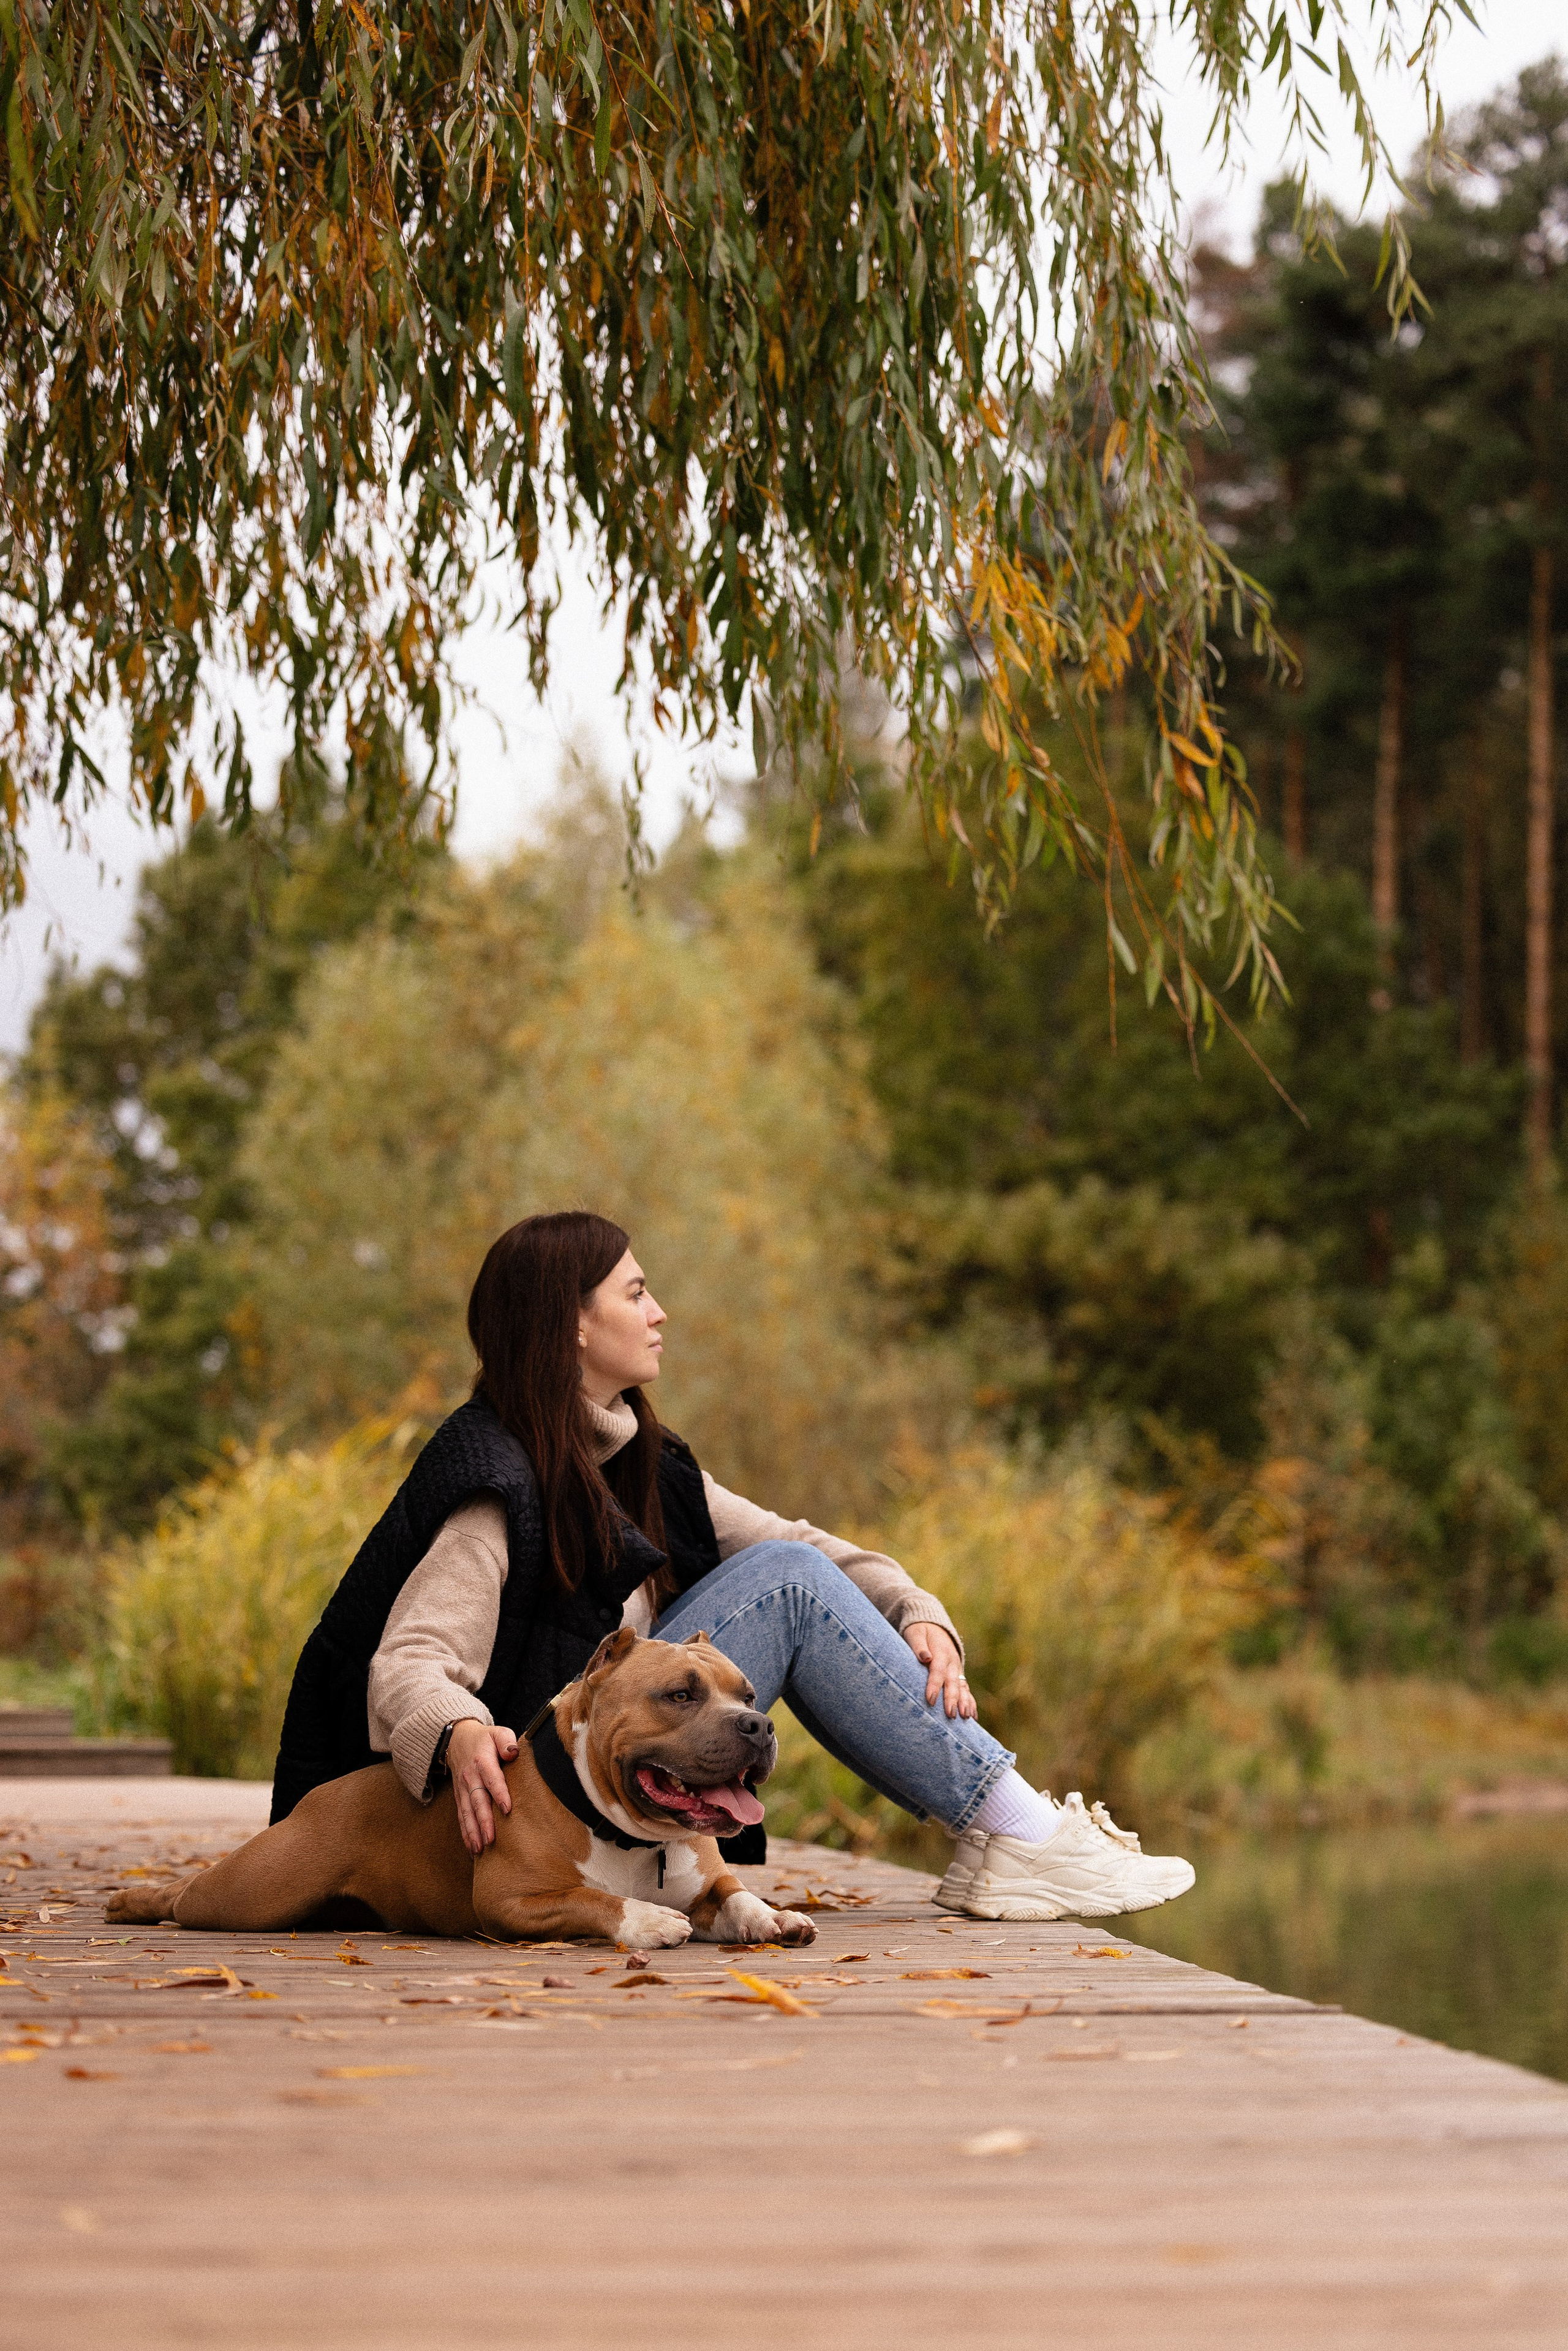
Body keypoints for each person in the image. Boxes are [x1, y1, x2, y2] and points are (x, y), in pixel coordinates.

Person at [270, 1211, 1195, 1923]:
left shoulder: (643, 1462)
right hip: (532, 1793)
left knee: (792, 1567)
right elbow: (409, 1662)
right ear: (572, 1327)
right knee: (788, 1584)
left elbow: (802, 1542)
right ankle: (1019, 1833)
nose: (659, 1310)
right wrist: (459, 1731)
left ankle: (1010, 1828)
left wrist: (917, 1606)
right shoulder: (495, 1480)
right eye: (634, 1293)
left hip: (617, 1759)